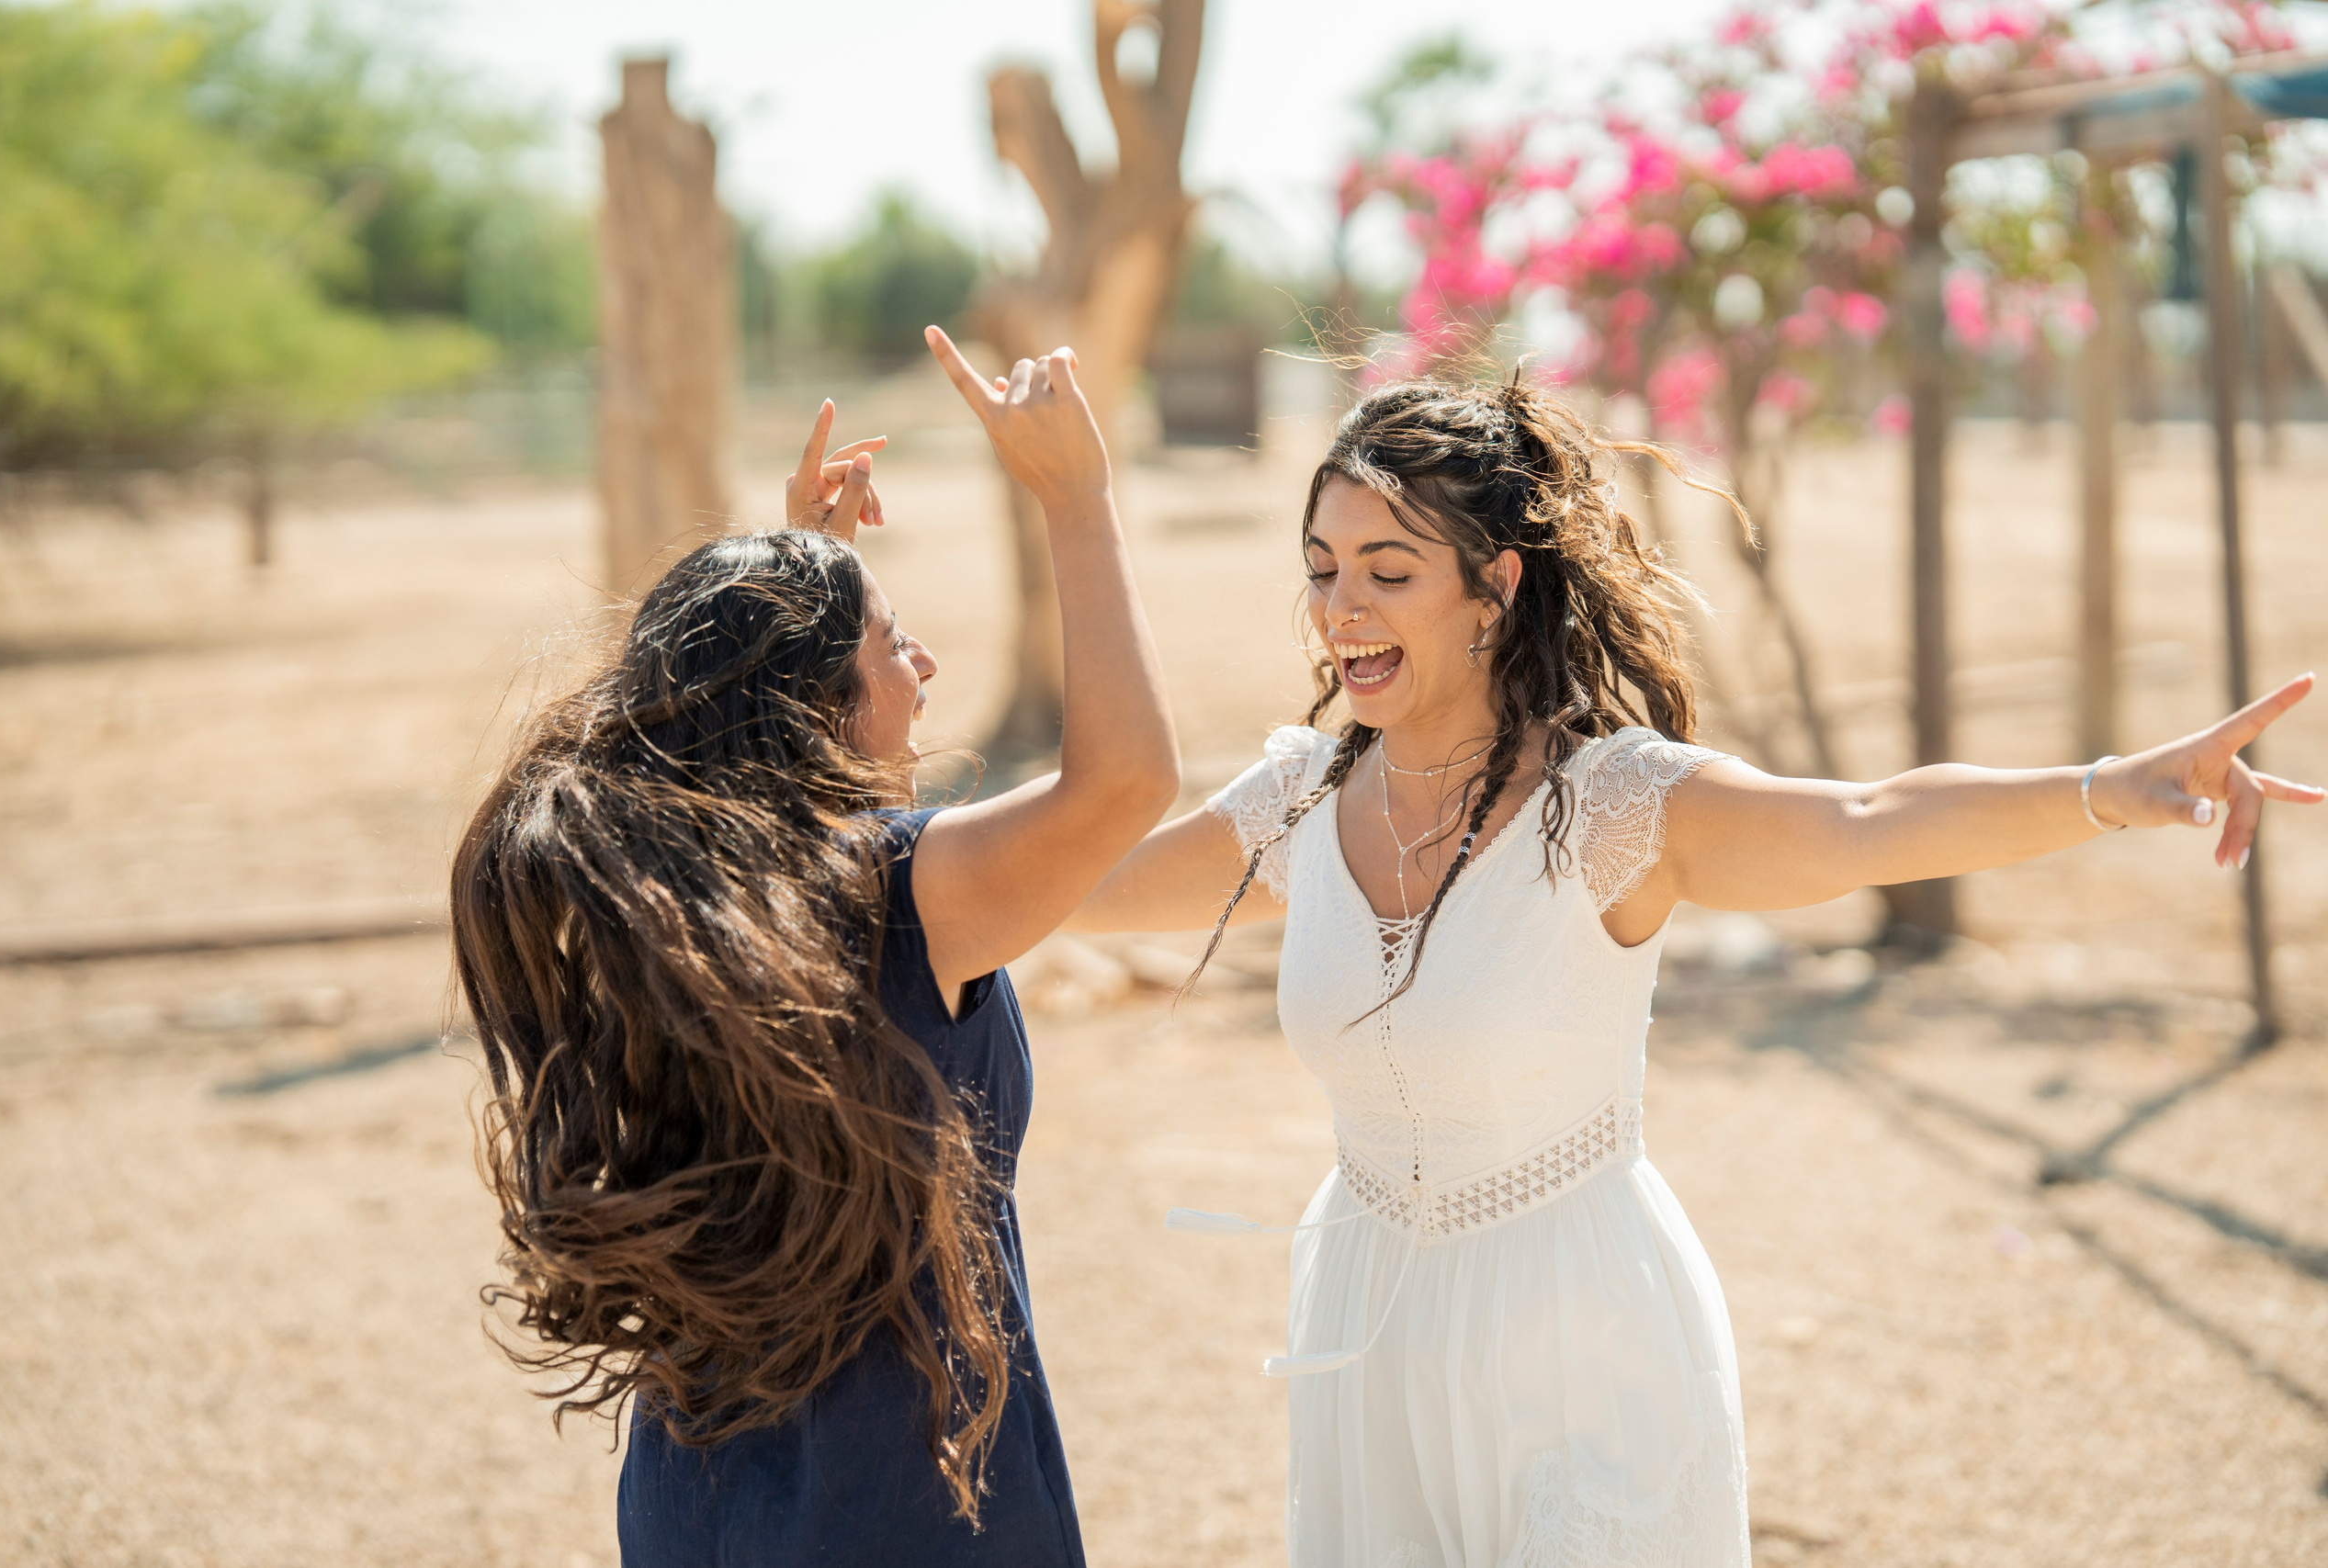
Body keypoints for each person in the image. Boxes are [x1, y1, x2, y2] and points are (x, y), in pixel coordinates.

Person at [1068, 374, 2320, 1567]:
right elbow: (1063, 877)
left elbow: (1869, 818)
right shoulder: (1300, 796)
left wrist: (2115, 791)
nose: (1343, 610)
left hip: (1581, 1337)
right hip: (1364, 1328)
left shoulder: (1612, 808)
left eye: (1389, 573)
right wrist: (869, 788)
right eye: (1324, 570)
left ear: (1495, 588)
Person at [450, 328, 1178, 1566]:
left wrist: (808, 577)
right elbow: (1126, 784)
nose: (926, 665)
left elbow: (756, 741)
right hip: (903, 1498)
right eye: (895, 647)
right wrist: (1076, 497)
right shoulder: (904, 887)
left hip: (702, 1494)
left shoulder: (656, 896)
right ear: (814, 707)